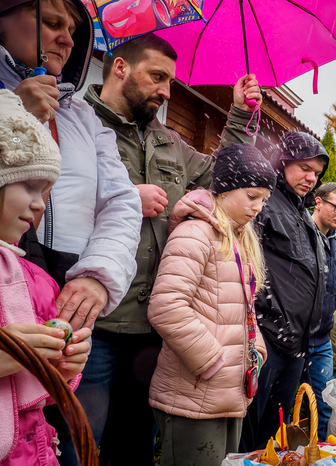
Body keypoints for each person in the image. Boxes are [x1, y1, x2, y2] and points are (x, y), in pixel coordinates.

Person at [64, 34, 263, 465]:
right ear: (120, 68)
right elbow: (47, 201)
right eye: (157, 77)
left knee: (134, 448)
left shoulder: (169, 142)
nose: (167, 91)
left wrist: (240, 113)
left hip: (150, 335)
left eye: (170, 81)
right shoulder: (75, 122)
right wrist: (122, 198)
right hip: (91, 324)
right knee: (78, 445)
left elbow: (223, 175)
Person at [0, 0, 141, 330]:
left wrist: (99, 273)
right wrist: (16, 115)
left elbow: (121, 201)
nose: (67, 40)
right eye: (51, 23)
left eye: (73, 30)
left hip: (66, 305)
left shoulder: (84, 118)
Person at [147, 144, 273, 465]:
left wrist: (256, 350)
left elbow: (242, 310)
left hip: (230, 392)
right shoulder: (195, 233)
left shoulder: (238, 240)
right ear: (225, 189)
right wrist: (212, 363)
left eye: (264, 200)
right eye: (252, 196)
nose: (258, 207)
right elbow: (167, 306)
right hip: (194, 391)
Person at [0, 89, 91, 465]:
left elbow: (48, 395)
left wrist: (64, 367)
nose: (39, 204)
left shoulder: (39, 282)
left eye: (45, 191)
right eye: (28, 186)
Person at [241, 131, 329, 452]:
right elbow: (244, 260)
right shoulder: (265, 202)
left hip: (297, 344)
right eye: (304, 168)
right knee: (246, 436)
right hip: (266, 339)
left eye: (316, 173)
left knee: (271, 438)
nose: (311, 178)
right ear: (283, 162)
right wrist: (264, 316)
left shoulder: (302, 212)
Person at [306, 181, 336, 441]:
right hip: (296, 337)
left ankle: (319, 453)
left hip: (322, 337)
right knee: (282, 405)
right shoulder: (302, 233)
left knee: (325, 406)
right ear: (318, 202)